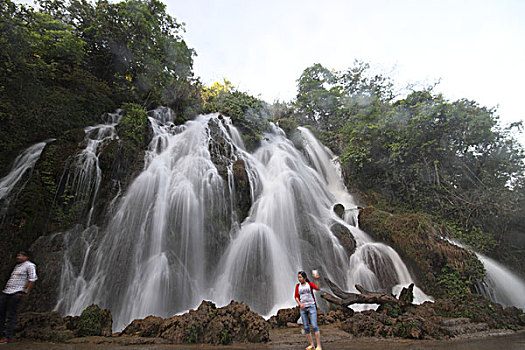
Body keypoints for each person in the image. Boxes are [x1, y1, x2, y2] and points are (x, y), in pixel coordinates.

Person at [0, 251, 37, 344]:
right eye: (18, 255)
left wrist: (25, 291)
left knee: (11, 315)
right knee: (1, 313)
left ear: (26, 257)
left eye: (21, 255)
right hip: (7, 291)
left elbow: (32, 278)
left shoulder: (30, 265)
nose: (18, 257)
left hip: (17, 292)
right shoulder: (17, 266)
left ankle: (7, 336)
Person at [295, 270, 322, 350]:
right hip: (303, 308)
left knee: (314, 326)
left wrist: (316, 280)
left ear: (305, 277)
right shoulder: (297, 286)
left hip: (311, 306)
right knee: (306, 327)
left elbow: (317, 288)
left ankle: (319, 345)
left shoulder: (309, 284)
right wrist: (300, 304)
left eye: (300, 277)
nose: (299, 279)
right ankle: (311, 345)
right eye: (298, 277)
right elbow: (296, 297)